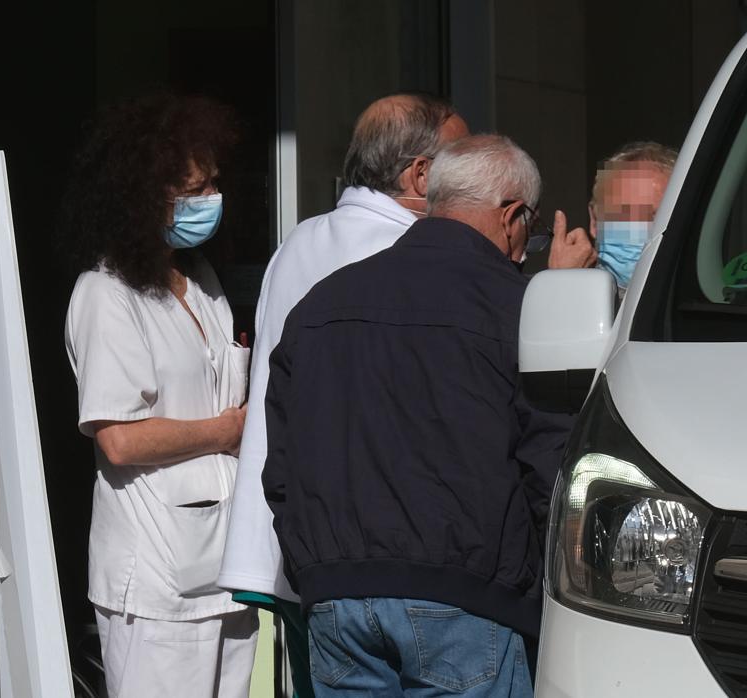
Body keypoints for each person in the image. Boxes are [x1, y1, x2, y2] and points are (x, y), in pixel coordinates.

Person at [262, 135, 574, 697]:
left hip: (336, 595)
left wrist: (315, 564)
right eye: (529, 223)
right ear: (511, 216)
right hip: (467, 599)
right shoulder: (518, 307)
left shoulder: (320, 303)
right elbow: (552, 470)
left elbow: (280, 465)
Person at [61, 93, 257, 698]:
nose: (208, 202)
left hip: (226, 572)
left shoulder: (203, 284)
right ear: (141, 196)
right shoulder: (105, 293)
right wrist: (225, 432)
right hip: (156, 585)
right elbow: (119, 439)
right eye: (191, 190)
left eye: (212, 186)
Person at [589, 141, 678, 291]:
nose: (637, 230)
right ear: (594, 221)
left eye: (654, 217)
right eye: (625, 215)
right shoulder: (573, 298)